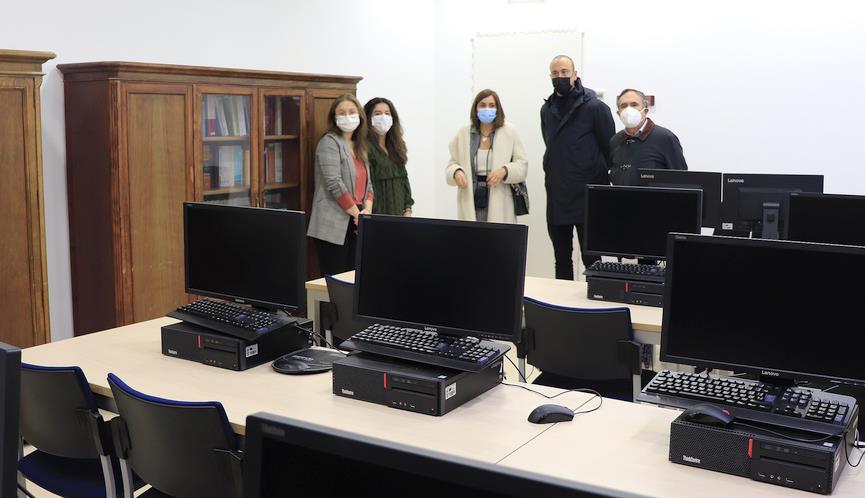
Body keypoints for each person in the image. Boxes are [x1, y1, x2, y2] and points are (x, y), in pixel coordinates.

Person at [541, 55, 615, 280]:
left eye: (564, 72)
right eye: (555, 73)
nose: (560, 77)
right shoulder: (546, 109)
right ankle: (561, 310)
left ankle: (596, 307)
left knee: (592, 259)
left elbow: (609, 148)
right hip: (558, 194)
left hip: (587, 194)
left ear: (575, 74)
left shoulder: (595, 107)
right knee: (561, 258)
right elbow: (551, 145)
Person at [307, 94, 373, 276]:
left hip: (356, 222)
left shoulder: (360, 145)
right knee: (334, 286)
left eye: (352, 112)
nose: (347, 116)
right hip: (333, 226)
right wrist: (358, 213)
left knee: (354, 281)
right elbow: (334, 183)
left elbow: (369, 186)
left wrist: (367, 211)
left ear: (360, 115)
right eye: (342, 112)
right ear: (334, 118)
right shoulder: (328, 143)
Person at [445, 89, 528, 223]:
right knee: (472, 240)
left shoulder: (510, 132)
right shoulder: (463, 134)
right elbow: (452, 164)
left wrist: (505, 171)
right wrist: (456, 172)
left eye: (491, 105)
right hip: (470, 197)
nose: (487, 109)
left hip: (500, 198)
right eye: (482, 105)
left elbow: (522, 166)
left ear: (498, 108)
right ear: (476, 108)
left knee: (497, 241)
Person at [609, 88, 688, 186]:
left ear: (645, 111)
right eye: (623, 106)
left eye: (634, 105)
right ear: (619, 113)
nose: (628, 110)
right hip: (621, 199)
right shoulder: (615, 141)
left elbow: (681, 179)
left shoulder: (665, 138)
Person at [363, 97, 414, 216]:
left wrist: (408, 208)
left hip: (399, 214)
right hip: (376, 213)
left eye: (387, 113)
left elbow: (404, 179)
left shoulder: (397, 146)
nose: (383, 117)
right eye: (377, 113)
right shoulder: (364, 147)